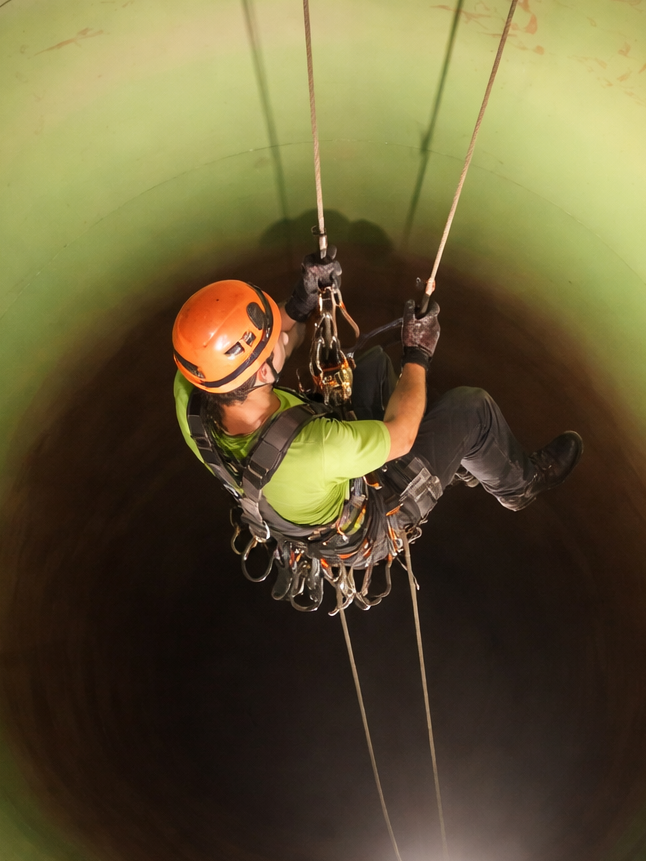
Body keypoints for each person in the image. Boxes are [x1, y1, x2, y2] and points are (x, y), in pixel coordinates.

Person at [173, 255, 583, 608]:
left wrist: (303, 298)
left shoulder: (191, 391)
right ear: (265, 371)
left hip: (303, 489)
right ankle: (519, 485)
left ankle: (451, 456)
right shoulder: (314, 447)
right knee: (470, 409)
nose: (283, 333)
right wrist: (417, 353)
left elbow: (278, 336)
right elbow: (400, 435)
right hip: (368, 518)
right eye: (274, 344)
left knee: (369, 367)